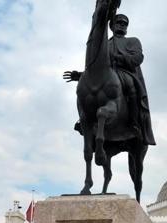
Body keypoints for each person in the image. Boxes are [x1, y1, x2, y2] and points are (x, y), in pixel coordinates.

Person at [64, 13, 155, 146]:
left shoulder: (133, 41)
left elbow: (138, 58)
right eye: (119, 23)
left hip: (125, 72)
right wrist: (81, 75)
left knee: (131, 86)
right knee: (86, 91)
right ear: (112, 26)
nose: (122, 25)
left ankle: (135, 122)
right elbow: (96, 67)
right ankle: (84, 121)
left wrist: (119, 58)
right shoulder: (104, 45)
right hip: (106, 76)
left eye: (125, 24)